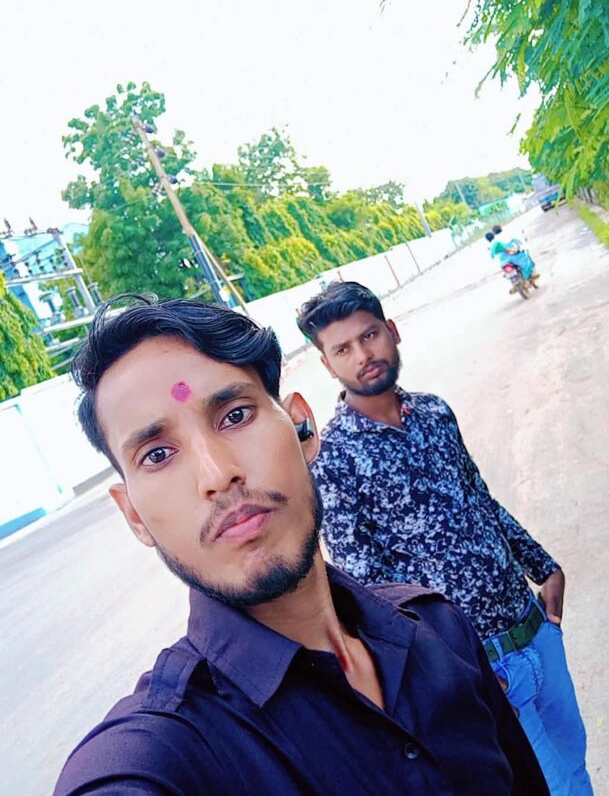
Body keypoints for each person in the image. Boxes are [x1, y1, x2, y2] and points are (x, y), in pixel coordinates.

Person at [53, 295, 549, 796]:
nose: (217, 474)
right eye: (158, 454)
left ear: (302, 428)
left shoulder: (440, 630)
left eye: (235, 416)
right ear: (134, 515)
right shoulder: (165, 752)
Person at [297, 281, 592, 796]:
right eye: (343, 349)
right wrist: (455, 671)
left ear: (392, 331)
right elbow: (372, 593)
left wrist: (546, 570)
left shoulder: (435, 413)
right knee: (550, 786)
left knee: (575, 764)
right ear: (327, 364)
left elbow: (481, 499)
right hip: (482, 667)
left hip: (534, 630)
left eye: (370, 335)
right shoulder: (335, 460)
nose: (363, 356)